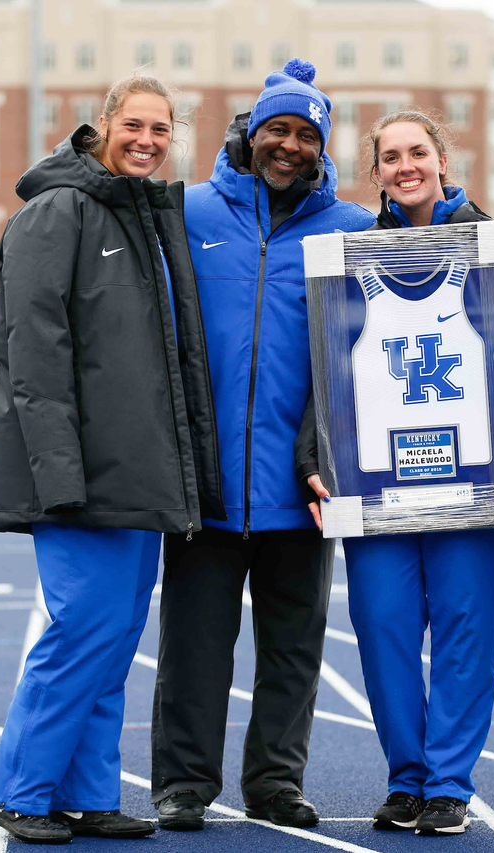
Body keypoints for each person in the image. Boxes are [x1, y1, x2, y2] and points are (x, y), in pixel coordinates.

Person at [298, 110, 494, 835]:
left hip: (480, 471)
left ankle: (448, 783)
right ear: (376, 172)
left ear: (442, 158)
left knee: (463, 626)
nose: (405, 165)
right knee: (383, 623)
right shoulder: (347, 259)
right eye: (390, 156)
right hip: (375, 479)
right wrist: (313, 458)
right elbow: (327, 373)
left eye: (418, 150)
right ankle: (407, 775)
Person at [0, 74, 224, 845]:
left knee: (113, 640)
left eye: (162, 129)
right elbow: (32, 351)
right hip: (80, 478)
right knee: (81, 629)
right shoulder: (57, 211)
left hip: (140, 473)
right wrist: (58, 478)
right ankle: (16, 786)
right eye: (135, 125)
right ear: (104, 123)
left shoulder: (144, 215)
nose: (147, 140)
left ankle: (87, 790)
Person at [150, 59, 374, 832]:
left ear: (322, 147)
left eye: (306, 134)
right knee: (194, 647)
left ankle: (276, 781)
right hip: (205, 484)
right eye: (277, 128)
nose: (289, 145)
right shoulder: (189, 212)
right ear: (250, 133)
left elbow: (440, 259)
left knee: (292, 650)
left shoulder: (350, 229)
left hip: (305, 484)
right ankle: (182, 782)